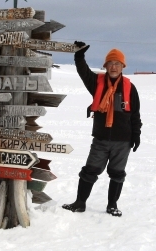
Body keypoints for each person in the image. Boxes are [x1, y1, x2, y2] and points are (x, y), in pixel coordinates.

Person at [62, 41, 142, 217]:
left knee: (117, 173)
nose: (114, 67)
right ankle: (80, 203)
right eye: (110, 63)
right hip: (101, 139)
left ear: (123, 66)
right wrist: (79, 55)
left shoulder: (130, 88)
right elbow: (83, 71)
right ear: (105, 66)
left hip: (123, 141)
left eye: (117, 64)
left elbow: (135, 114)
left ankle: (112, 205)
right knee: (90, 170)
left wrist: (136, 135)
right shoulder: (97, 83)